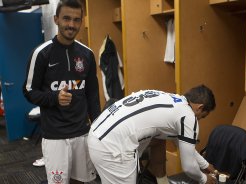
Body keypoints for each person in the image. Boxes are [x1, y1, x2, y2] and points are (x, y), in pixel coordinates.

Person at [22, 0, 101, 183]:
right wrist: (54, 98)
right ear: (56, 19)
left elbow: (92, 95)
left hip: (82, 133)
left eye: (76, 20)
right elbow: (28, 90)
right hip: (55, 137)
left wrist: (97, 127)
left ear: (81, 22)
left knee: (83, 181)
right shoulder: (41, 53)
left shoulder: (87, 54)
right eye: (66, 18)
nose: (71, 25)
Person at [88, 85, 217, 184]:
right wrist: (204, 179)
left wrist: (205, 165)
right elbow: (188, 167)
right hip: (113, 146)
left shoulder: (172, 100)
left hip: (97, 134)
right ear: (200, 107)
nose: (199, 119)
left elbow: (184, 145)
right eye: (202, 117)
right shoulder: (188, 116)